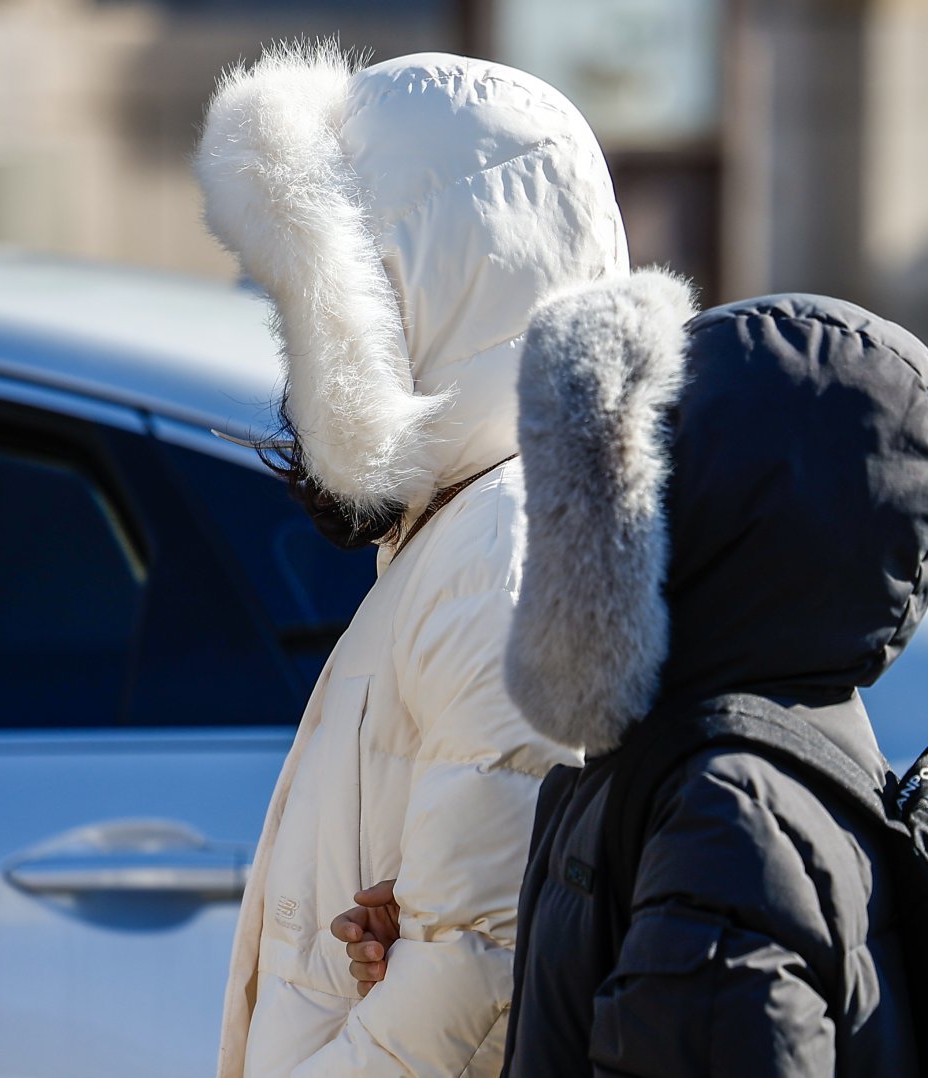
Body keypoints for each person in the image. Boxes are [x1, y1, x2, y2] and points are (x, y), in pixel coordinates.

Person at [339, 273, 928, 1074]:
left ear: (705, 503)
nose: (594, 507)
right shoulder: (757, 750)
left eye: (637, 463)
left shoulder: (728, 820)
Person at [193, 43, 629, 1076]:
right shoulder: (470, 528)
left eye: (319, 307)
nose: (300, 357)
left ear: (415, 296)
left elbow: (481, 973)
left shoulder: (504, 544)